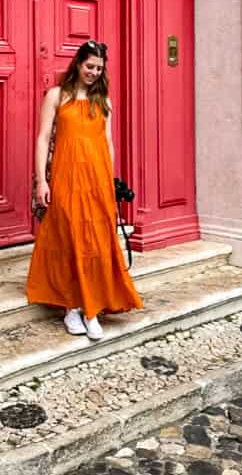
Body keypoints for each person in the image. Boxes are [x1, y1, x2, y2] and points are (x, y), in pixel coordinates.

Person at [25, 40, 142, 340]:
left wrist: (111, 181)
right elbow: (42, 139)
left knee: (97, 244)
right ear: (78, 64)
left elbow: (109, 143)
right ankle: (71, 308)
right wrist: (42, 181)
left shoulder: (104, 101)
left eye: (99, 68)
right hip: (65, 178)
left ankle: (92, 309)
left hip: (97, 181)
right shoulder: (56, 96)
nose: (93, 72)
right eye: (89, 66)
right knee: (68, 240)